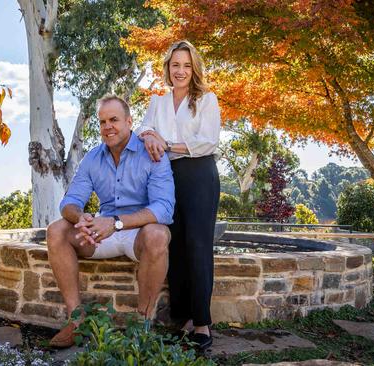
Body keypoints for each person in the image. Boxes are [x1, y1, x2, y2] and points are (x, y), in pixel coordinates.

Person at [46, 95, 175, 348]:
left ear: (129, 121)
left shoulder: (152, 154)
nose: (108, 127)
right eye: (103, 121)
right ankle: (76, 321)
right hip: (101, 233)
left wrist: (115, 222)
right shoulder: (92, 158)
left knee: (158, 234)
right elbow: (69, 201)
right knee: (57, 230)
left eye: (114, 120)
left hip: (138, 234)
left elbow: (164, 208)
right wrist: (80, 217)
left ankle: (143, 324)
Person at [135, 40, 221, 350]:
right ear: (168, 69)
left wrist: (165, 143)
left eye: (186, 65)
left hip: (199, 175)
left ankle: (202, 324)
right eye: (175, 65)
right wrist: (150, 134)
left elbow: (207, 142)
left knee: (198, 246)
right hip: (165, 178)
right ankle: (183, 317)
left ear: (193, 68)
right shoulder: (157, 102)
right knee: (175, 246)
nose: (180, 70)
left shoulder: (206, 100)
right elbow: (143, 128)